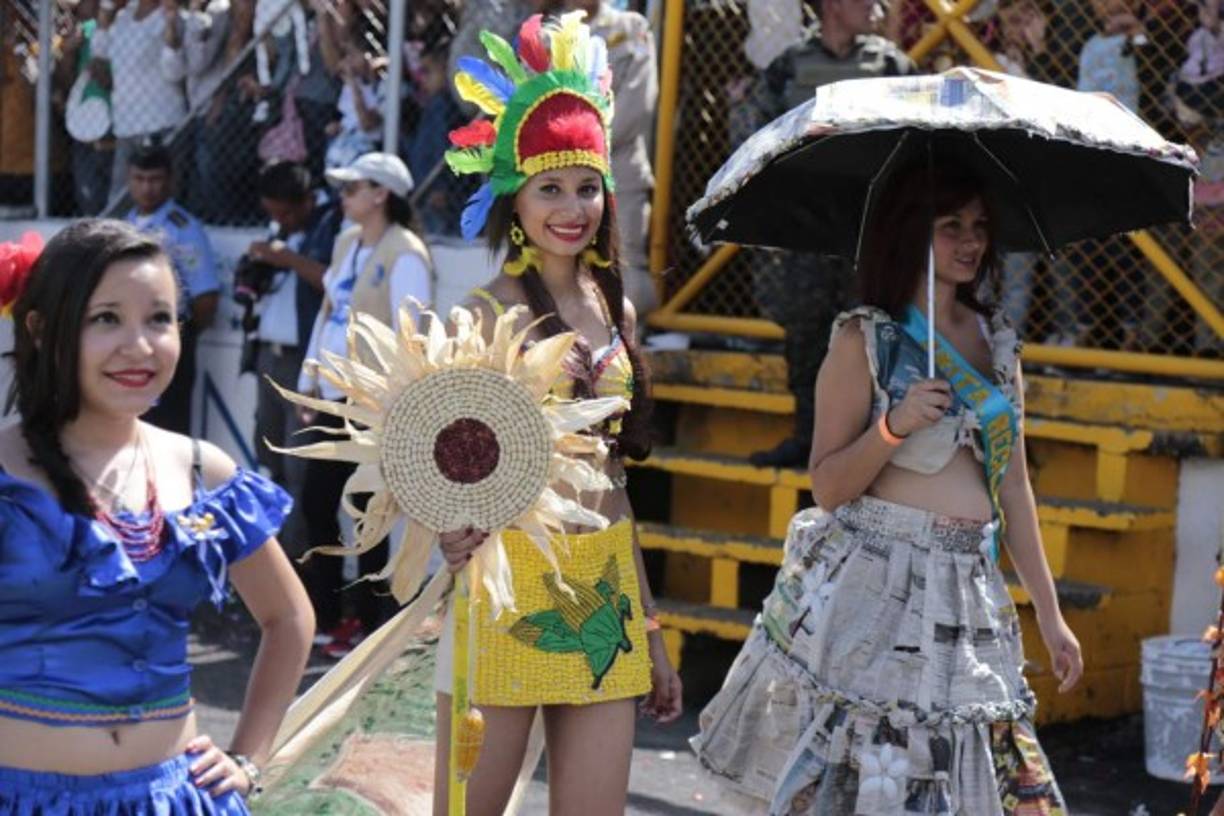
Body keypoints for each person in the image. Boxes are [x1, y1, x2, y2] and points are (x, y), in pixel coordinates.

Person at [691, 162, 1083, 812]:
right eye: (949, 225)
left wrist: (1049, 611)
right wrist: (894, 427)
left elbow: (1013, 485)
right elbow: (829, 485)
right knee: (871, 784)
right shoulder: (863, 339)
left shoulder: (999, 341)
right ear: (907, 232)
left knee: (960, 780)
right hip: (878, 589)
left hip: (968, 589)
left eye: (979, 226)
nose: (970, 241)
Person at [433, 14, 683, 814]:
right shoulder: (484, 312)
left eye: (586, 187)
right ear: (517, 197)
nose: (570, 207)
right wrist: (445, 526)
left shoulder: (620, 310)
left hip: (602, 588)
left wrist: (648, 625)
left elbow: (614, 481)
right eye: (550, 188)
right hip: (508, 584)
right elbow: (432, 456)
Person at [0, 219, 313, 814]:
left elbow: (289, 617)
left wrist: (248, 759)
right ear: (40, 329)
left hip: (173, 799)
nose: (140, 346)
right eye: (106, 319)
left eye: (160, 319)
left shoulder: (203, 472)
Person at [735, 0, 914, 468]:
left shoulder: (891, 64)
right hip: (807, 227)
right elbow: (757, 132)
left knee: (873, 334)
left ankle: (871, 444)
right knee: (806, 335)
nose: (876, 9)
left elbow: (915, 138)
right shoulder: (790, 64)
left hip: (868, 228)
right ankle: (808, 438)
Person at [295, 151, 434, 657]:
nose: (344, 195)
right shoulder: (348, 242)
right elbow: (326, 314)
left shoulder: (406, 252)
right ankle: (334, 615)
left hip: (374, 404)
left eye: (354, 187)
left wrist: (396, 406)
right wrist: (309, 379)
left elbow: (410, 336)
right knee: (319, 504)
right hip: (334, 395)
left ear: (382, 194)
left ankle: (369, 622)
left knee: (366, 513)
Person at [242, 160, 340, 489]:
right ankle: (274, 541)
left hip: (304, 361)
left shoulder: (332, 224)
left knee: (300, 465)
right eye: (273, 214)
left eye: (286, 214)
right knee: (269, 461)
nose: (279, 221)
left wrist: (287, 259)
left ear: (308, 200)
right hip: (268, 357)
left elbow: (335, 283)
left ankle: (296, 543)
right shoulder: (278, 231)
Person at [564, 0, 660, 317]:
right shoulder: (546, 33)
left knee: (623, 272)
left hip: (618, 174)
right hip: (558, 176)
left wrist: (582, 145)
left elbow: (639, 102)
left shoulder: (631, 28)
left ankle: (624, 357)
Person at [124, 144, 220, 434]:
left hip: (168, 335)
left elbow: (206, 299)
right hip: (130, 335)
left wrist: (178, 334)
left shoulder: (183, 228)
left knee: (168, 423)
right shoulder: (125, 223)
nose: (147, 188)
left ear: (169, 181)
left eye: (154, 180)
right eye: (139, 179)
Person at [91, 0, 189, 206]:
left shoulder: (172, 17)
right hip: (126, 123)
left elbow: (174, 72)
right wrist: (106, 9)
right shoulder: (124, 16)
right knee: (119, 204)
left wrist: (171, 26)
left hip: (161, 122)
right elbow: (99, 54)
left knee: (159, 201)